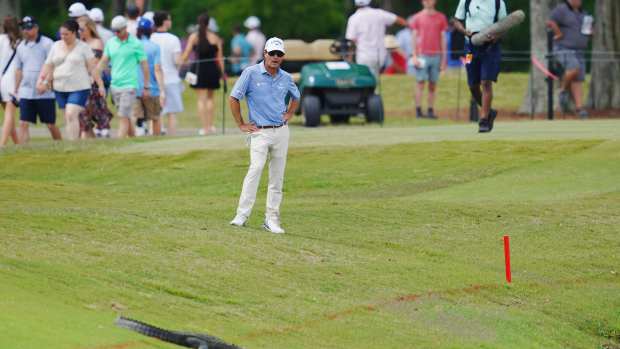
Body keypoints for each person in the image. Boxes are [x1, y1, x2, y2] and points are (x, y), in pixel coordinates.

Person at [229, 37, 301, 234]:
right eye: (272, 53)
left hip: (281, 131)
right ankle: (242, 215)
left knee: (277, 178)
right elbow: (234, 98)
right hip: (259, 131)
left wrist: (289, 113)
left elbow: (296, 97)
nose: (275, 57)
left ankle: (272, 219)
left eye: (279, 54)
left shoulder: (286, 77)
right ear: (265, 54)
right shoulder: (250, 73)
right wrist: (241, 124)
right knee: (256, 169)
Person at [38, 19, 104, 141]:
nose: (63, 36)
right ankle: (74, 141)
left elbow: (92, 68)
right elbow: (48, 65)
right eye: (61, 34)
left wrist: (100, 85)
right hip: (60, 87)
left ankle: (73, 144)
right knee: (68, 117)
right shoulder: (56, 46)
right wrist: (43, 81)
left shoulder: (83, 47)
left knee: (71, 113)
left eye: (66, 34)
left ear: (74, 33)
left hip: (79, 87)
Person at [453, 0, 507, 133]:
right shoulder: (466, 1)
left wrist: (495, 36)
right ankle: (489, 112)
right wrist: (464, 31)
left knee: (486, 82)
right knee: (473, 85)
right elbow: (456, 21)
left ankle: (483, 120)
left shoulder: (498, 3)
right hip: (470, 50)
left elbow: (504, 27)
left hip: (490, 49)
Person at [95, 16, 150, 138]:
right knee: (125, 115)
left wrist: (146, 86)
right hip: (115, 85)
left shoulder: (136, 43)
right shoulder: (111, 42)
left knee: (123, 116)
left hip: (130, 85)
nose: (116, 33)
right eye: (114, 31)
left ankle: (118, 144)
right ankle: (133, 139)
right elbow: (103, 62)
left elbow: (144, 66)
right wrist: (98, 76)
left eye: (118, 31)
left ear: (125, 28)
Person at [13, 16, 62, 144]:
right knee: (23, 123)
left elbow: (52, 65)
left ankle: (61, 145)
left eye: (28, 28)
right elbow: (18, 69)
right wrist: (16, 89)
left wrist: (46, 83)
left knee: (50, 124)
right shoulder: (20, 46)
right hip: (26, 91)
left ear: (36, 28)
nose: (25, 31)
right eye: (23, 28)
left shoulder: (47, 43)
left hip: (44, 92)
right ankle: (23, 150)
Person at [181, 13, 225, 136]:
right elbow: (220, 58)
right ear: (208, 23)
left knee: (201, 99)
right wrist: (223, 73)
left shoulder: (194, 37)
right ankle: (210, 126)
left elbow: (185, 55)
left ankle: (204, 128)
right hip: (212, 70)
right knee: (210, 99)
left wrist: (181, 62)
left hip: (198, 69)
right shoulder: (215, 38)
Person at [547, 0, 591, 119]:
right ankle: (562, 90)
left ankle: (579, 108)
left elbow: (588, 30)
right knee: (574, 68)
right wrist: (558, 33)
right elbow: (550, 21)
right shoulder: (561, 9)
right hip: (563, 48)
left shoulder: (585, 14)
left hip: (580, 50)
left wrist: (590, 32)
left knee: (578, 79)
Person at [345, 0, 408, 79]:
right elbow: (399, 20)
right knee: (375, 78)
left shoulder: (353, 18)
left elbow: (351, 40)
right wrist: (411, 26)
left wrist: (349, 58)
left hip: (363, 56)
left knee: (365, 78)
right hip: (379, 55)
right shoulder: (379, 13)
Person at [410, 0, 448, 119]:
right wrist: (414, 55)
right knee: (420, 83)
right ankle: (418, 110)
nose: (427, 2)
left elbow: (443, 39)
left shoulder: (441, 17)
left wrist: (443, 59)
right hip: (422, 55)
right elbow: (414, 37)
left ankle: (430, 110)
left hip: (436, 55)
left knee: (433, 84)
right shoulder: (417, 17)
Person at [77, 17, 113, 139]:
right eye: (78, 29)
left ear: (89, 29)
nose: (79, 32)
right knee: (83, 117)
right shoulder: (78, 43)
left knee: (89, 114)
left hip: (92, 84)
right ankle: (88, 143)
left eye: (82, 29)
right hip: (78, 83)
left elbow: (94, 64)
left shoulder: (96, 43)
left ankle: (89, 139)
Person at [151, 11, 184, 136]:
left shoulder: (151, 38)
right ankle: (172, 138)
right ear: (165, 22)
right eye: (169, 19)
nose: (170, 21)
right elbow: (177, 61)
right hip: (171, 79)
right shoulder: (173, 39)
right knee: (171, 113)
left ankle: (156, 137)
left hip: (154, 80)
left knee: (156, 114)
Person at [133, 18, 166, 136]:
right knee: (155, 118)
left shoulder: (132, 46)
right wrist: (162, 90)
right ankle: (156, 142)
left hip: (134, 87)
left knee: (137, 118)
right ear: (150, 31)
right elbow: (157, 69)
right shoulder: (155, 47)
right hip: (152, 88)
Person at [0, 16, 21, 147]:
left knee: (8, 114)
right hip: (12, 79)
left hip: (1, 78)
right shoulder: (21, 42)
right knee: (9, 113)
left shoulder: (0, 39)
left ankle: (17, 144)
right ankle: (2, 144)